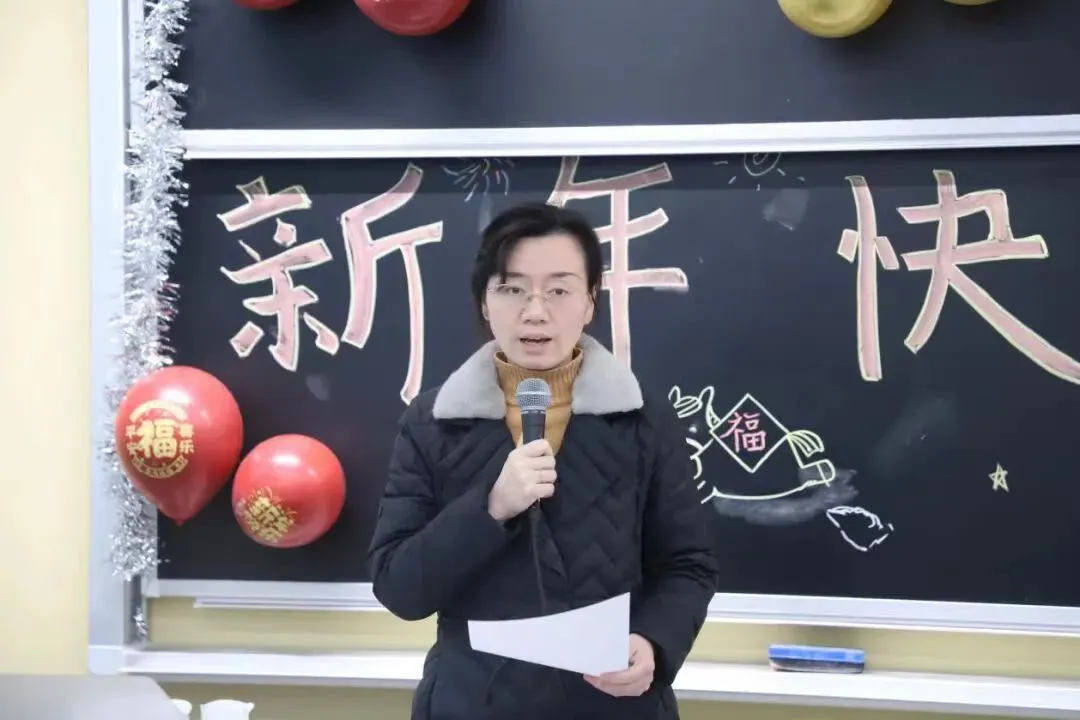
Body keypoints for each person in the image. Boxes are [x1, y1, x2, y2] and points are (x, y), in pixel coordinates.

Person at [367, 201, 719, 720]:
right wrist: (491, 508)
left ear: (589, 302)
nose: (535, 311)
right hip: (474, 702)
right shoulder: (433, 422)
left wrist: (653, 642)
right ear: (485, 302)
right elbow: (399, 586)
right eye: (512, 289)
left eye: (559, 290)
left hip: (610, 703)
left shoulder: (642, 418)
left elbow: (687, 565)